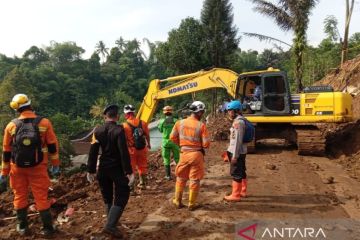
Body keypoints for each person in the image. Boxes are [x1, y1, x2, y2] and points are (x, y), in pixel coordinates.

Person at [0, 94, 60, 236]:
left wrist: (4, 171)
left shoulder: (11, 126)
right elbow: (52, 146)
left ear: (16, 109)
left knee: (19, 195)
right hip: (38, 166)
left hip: (17, 168)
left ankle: (22, 227)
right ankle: (47, 229)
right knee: (41, 196)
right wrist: (55, 164)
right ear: (30, 105)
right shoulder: (44, 123)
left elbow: (6, 151)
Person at [86, 104, 134, 238]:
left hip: (102, 168)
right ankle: (111, 225)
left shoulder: (97, 131)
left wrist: (90, 170)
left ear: (104, 116)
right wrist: (129, 172)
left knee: (107, 195)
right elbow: (123, 152)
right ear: (117, 117)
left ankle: (111, 222)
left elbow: (93, 152)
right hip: (116, 169)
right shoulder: (119, 130)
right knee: (123, 193)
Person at [170, 101, 210, 210]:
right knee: (195, 179)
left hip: (183, 153)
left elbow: (172, 137)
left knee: (181, 177)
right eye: (202, 112)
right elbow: (206, 144)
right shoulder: (201, 125)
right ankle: (191, 204)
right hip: (196, 155)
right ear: (200, 112)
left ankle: (177, 201)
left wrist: (182, 145)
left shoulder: (179, 123)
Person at [224, 100, 248, 202]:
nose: (229, 112)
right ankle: (242, 191)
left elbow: (237, 140)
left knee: (236, 173)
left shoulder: (238, 122)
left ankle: (235, 195)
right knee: (242, 171)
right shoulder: (241, 120)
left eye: (230, 111)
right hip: (241, 151)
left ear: (236, 111)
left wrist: (235, 156)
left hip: (237, 152)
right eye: (228, 111)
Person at [123, 104, 151, 190]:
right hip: (142, 148)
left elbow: (123, 140)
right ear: (134, 113)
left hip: (131, 150)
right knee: (142, 166)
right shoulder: (143, 123)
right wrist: (149, 144)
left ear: (126, 114)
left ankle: (132, 189)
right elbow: (147, 136)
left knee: (131, 168)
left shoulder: (124, 125)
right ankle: (142, 184)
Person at [158, 106, 180, 180]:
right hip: (174, 142)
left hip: (165, 142)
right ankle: (179, 175)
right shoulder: (176, 121)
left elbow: (160, 130)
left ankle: (168, 176)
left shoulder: (161, 121)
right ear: (171, 112)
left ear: (164, 113)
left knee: (166, 159)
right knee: (177, 158)